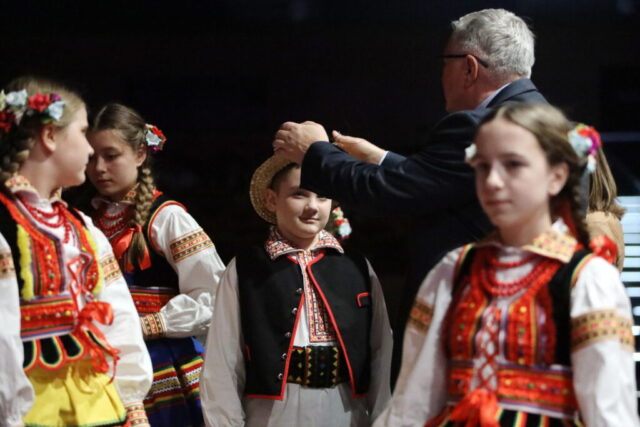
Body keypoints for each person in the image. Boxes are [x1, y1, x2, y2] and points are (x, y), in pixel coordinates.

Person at [272, 8, 548, 383]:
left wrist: (316, 152)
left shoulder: (479, 126)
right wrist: (381, 158)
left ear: (469, 67)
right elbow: (445, 185)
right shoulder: (545, 119)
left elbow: (390, 194)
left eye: (445, 63)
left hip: (471, 324)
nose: (440, 75)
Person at [374, 102, 638, 426]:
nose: (493, 181)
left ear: (556, 176)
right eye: (483, 166)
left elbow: (610, 414)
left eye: (513, 164)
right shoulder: (454, 269)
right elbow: (413, 403)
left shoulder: (587, 279)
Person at [0, 77, 153, 426]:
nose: (89, 150)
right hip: (30, 409)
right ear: (50, 136)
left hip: (97, 403)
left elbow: (119, 318)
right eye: (82, 133)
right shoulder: (7, 225)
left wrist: (132, 402)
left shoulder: (80, 226)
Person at [200, 156, 392, 426]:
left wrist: (384, 419)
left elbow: (382, 350)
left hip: (345, 409)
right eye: (299, 194)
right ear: (272, 200)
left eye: (322, 196)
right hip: (272, 413)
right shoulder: (247, 268)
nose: (312, 206)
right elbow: (223, 359)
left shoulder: (356, 266)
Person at [86, 103, 226, 427]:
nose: (99, 168)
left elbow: (215, 294)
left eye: (111, 156)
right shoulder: (88, 219)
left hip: (163, 364)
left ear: (139, 154)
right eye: (91, 157)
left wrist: (150, 324)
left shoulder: (167, 217)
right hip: (105, 359)